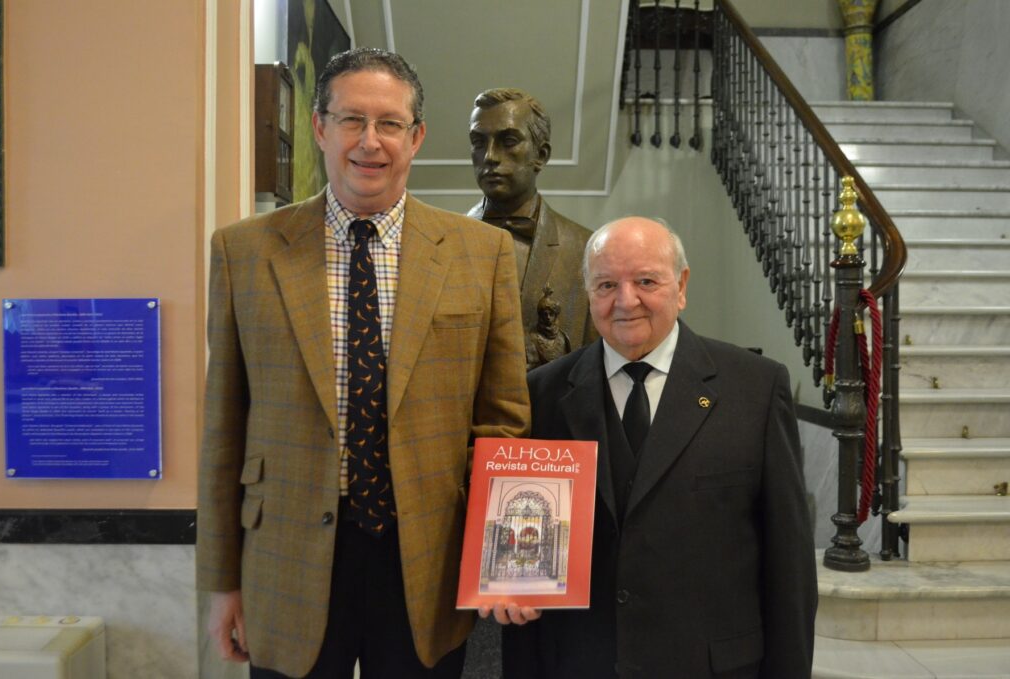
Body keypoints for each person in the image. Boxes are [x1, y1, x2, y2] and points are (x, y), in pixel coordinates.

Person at [196, 47, 530, 679]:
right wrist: (221, 585)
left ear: (417, 136)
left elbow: (502, 425)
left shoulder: (482, 253)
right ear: (320, 127)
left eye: (389, 124)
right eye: (351, 120)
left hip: (426, 561)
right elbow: (223, 430)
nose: (369, 142)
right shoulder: (244, 252)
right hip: (286, 559)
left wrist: (503, 562)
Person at [492, 217, 817, 678]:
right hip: (577, 663)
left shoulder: (756, 389)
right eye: (606, 284)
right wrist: (509, 586)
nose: (626, 301)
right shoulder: (541, 395)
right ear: (588, 292)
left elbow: (790, 566)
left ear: (681, 286)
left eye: (646, 281)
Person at [467, 88, 596, 364]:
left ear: (541, 154)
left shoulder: (586, 248)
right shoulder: (445, 244)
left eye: (508, 141)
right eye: (479, 142)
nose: (489, 156)